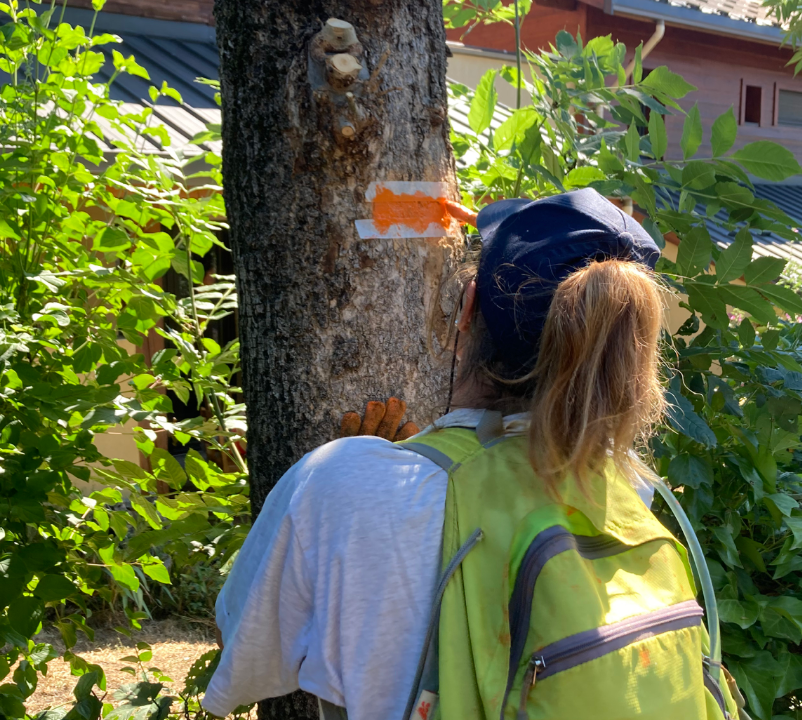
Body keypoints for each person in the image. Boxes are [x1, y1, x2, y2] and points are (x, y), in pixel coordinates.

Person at [201, 189, 676, 719]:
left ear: (467, 307)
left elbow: (239, 649)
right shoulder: (626, 485)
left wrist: (393, 476)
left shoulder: (340, 485)